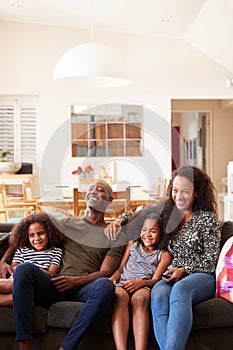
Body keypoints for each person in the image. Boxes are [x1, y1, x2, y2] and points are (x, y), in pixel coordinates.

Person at [0, 180, 126, 350]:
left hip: (83, 287)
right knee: (23, 269)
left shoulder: (114, 233)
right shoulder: (66, 224)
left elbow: (105, 271)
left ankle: (66, 347)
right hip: (52, 283)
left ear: (110, 198)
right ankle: (25, 345)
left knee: (105, 286)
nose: (94, 192)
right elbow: (21, 233)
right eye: (90, 189)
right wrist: (3, 260)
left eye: (100, 190)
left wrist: (77, 281)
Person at [150, 165, 221, 350]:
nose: (178, 196)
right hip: (171, 273)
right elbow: (138, 214)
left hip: (200, 275)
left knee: (180, 290)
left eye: (185, 191)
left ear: (196, 193)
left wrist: (185, 270)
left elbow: (211, 260)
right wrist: (120, 220)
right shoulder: (167, 214)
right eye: (175, 190)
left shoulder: (207, 219)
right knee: (158, 293)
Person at [110, 210, 172, 350]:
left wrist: (141, 283)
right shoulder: (133, 244)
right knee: (119, 296)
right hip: (124, 282)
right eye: (144, 230)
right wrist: (113, 278)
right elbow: (120, 268)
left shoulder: (164, 254)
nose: (147, 235)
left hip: (144, 285)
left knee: (140, 299)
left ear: (161, 233)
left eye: (153, 231)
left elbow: (156, 280)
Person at [0, 212, 63, 306]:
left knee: (18, 285)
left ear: (50, 233)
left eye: (41, 233)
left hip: (36, 283)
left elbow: (50, 273)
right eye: (31, 235)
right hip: (17, 281)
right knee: (17, 297)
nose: (36, 238)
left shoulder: (56, 251)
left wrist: (31, 272)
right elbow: (14, 267)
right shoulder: (22, 250)